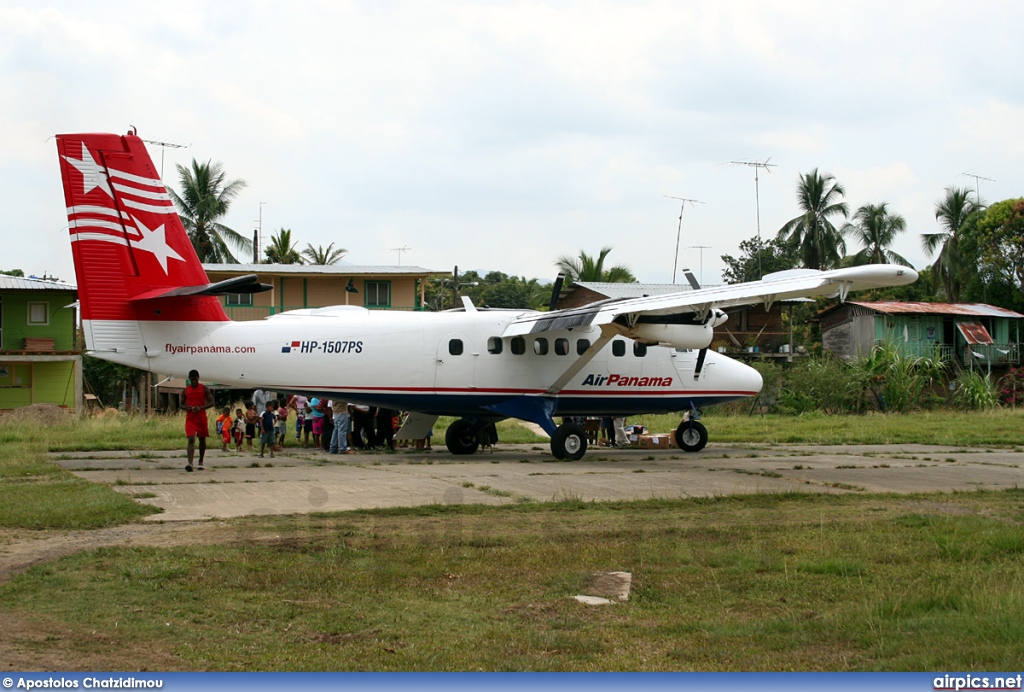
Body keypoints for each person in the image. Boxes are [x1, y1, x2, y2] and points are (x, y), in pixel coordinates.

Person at [179, 369, 214, 472]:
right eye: (192, 379)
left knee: (202, 439)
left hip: (201, 416)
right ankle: (190, 463)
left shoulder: (204, 389)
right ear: (189, 379)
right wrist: (187, 408)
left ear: (198, 378)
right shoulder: (185, 390)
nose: (194, 381)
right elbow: (181, 405)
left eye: (195, 379)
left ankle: (201, 461)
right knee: (191, 438)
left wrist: (201, 407)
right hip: (190, 417)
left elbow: (212, 402)